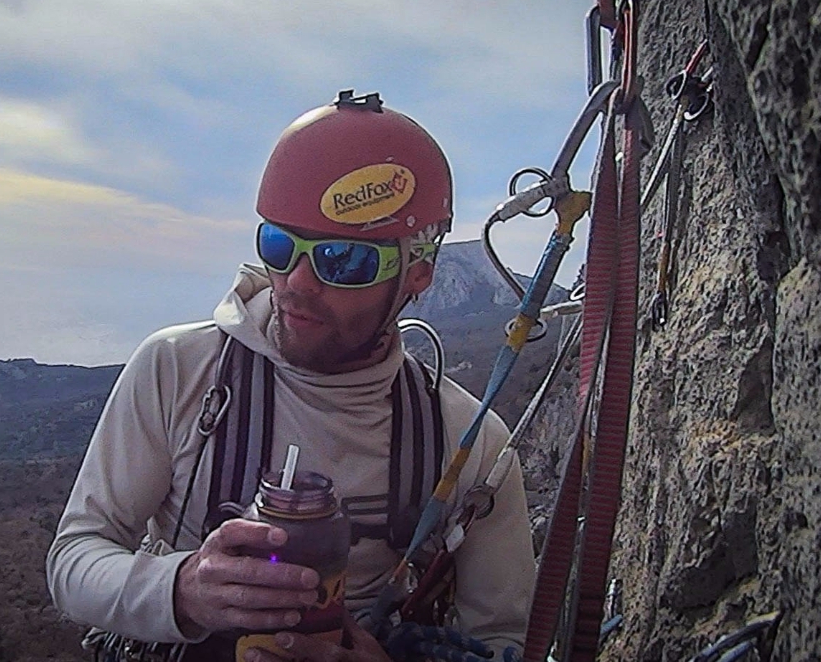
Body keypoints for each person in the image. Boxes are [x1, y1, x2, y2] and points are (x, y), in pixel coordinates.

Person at [47, 90, 535, 661]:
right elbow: (75, 556)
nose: (297, 283)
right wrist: (182, 590)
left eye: (343, 260)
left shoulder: (469, 444)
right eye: (279, 245)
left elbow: (506, 641)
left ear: (417, 274)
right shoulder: (179, 371)